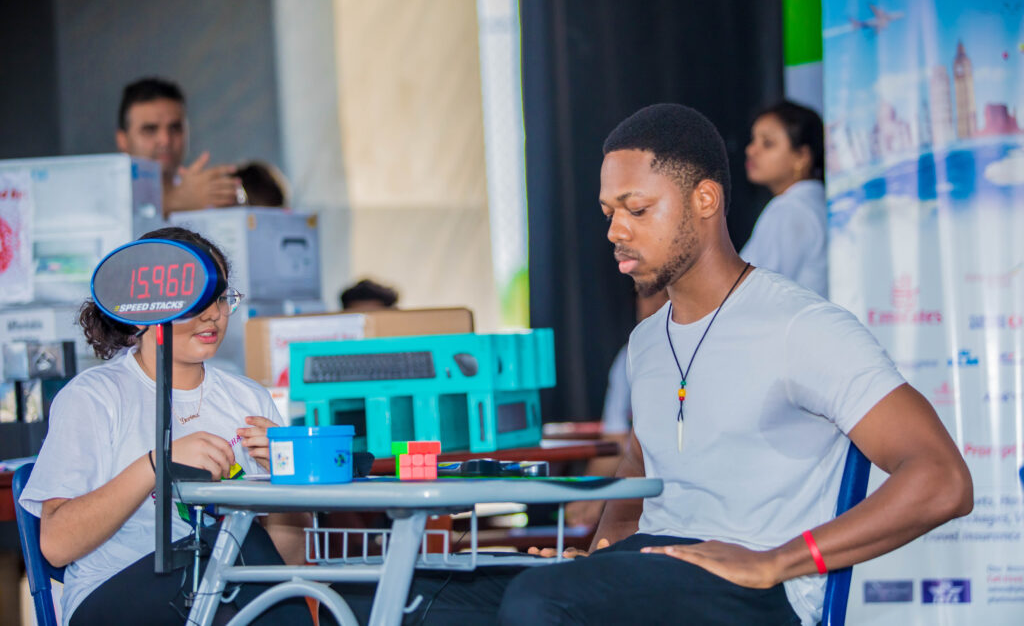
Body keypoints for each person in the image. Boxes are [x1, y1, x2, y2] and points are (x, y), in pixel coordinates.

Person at [334, 104, 972, 625]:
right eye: (609, 213)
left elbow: (943, 479)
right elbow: (642, 461)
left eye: (637, 210)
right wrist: (597, 559)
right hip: (655, 564)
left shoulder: (802, 326)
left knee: (538, 605)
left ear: (705, 201)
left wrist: (779, 560)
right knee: (399, 594)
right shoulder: (647, 342)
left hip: (755, 589)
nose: (616, 231)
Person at [18, 226, 313, 626]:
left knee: (244, 557)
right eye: (196, 301)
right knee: (231, 556)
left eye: (221, 299)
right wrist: (158, 464)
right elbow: (55, 545)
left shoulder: (249, 400)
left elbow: (284, 568)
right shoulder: (93, 396)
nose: (213, 315)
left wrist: (287, 484)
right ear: (147, 309)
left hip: (223, 584)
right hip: (111, 594)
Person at [566, 288, 667, 528]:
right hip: (633, 487)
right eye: (644, 295)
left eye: (664, 295)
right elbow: (615, 442)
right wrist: (588, 495)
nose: (651, 306)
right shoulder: (629, 356)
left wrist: (609, 498)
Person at [116, 77, 242, 217]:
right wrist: (174, 202)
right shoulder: (104, 197)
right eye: (150, 129)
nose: (165, 140)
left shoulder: (204, 196)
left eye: (175, 128)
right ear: (123, 140)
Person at [740, 101, 828, 297]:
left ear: (802, 157)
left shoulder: (790, 209)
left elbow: (753, 294)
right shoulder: (817, 203)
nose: (751, 150)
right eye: (753, 140)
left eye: (767, 143)